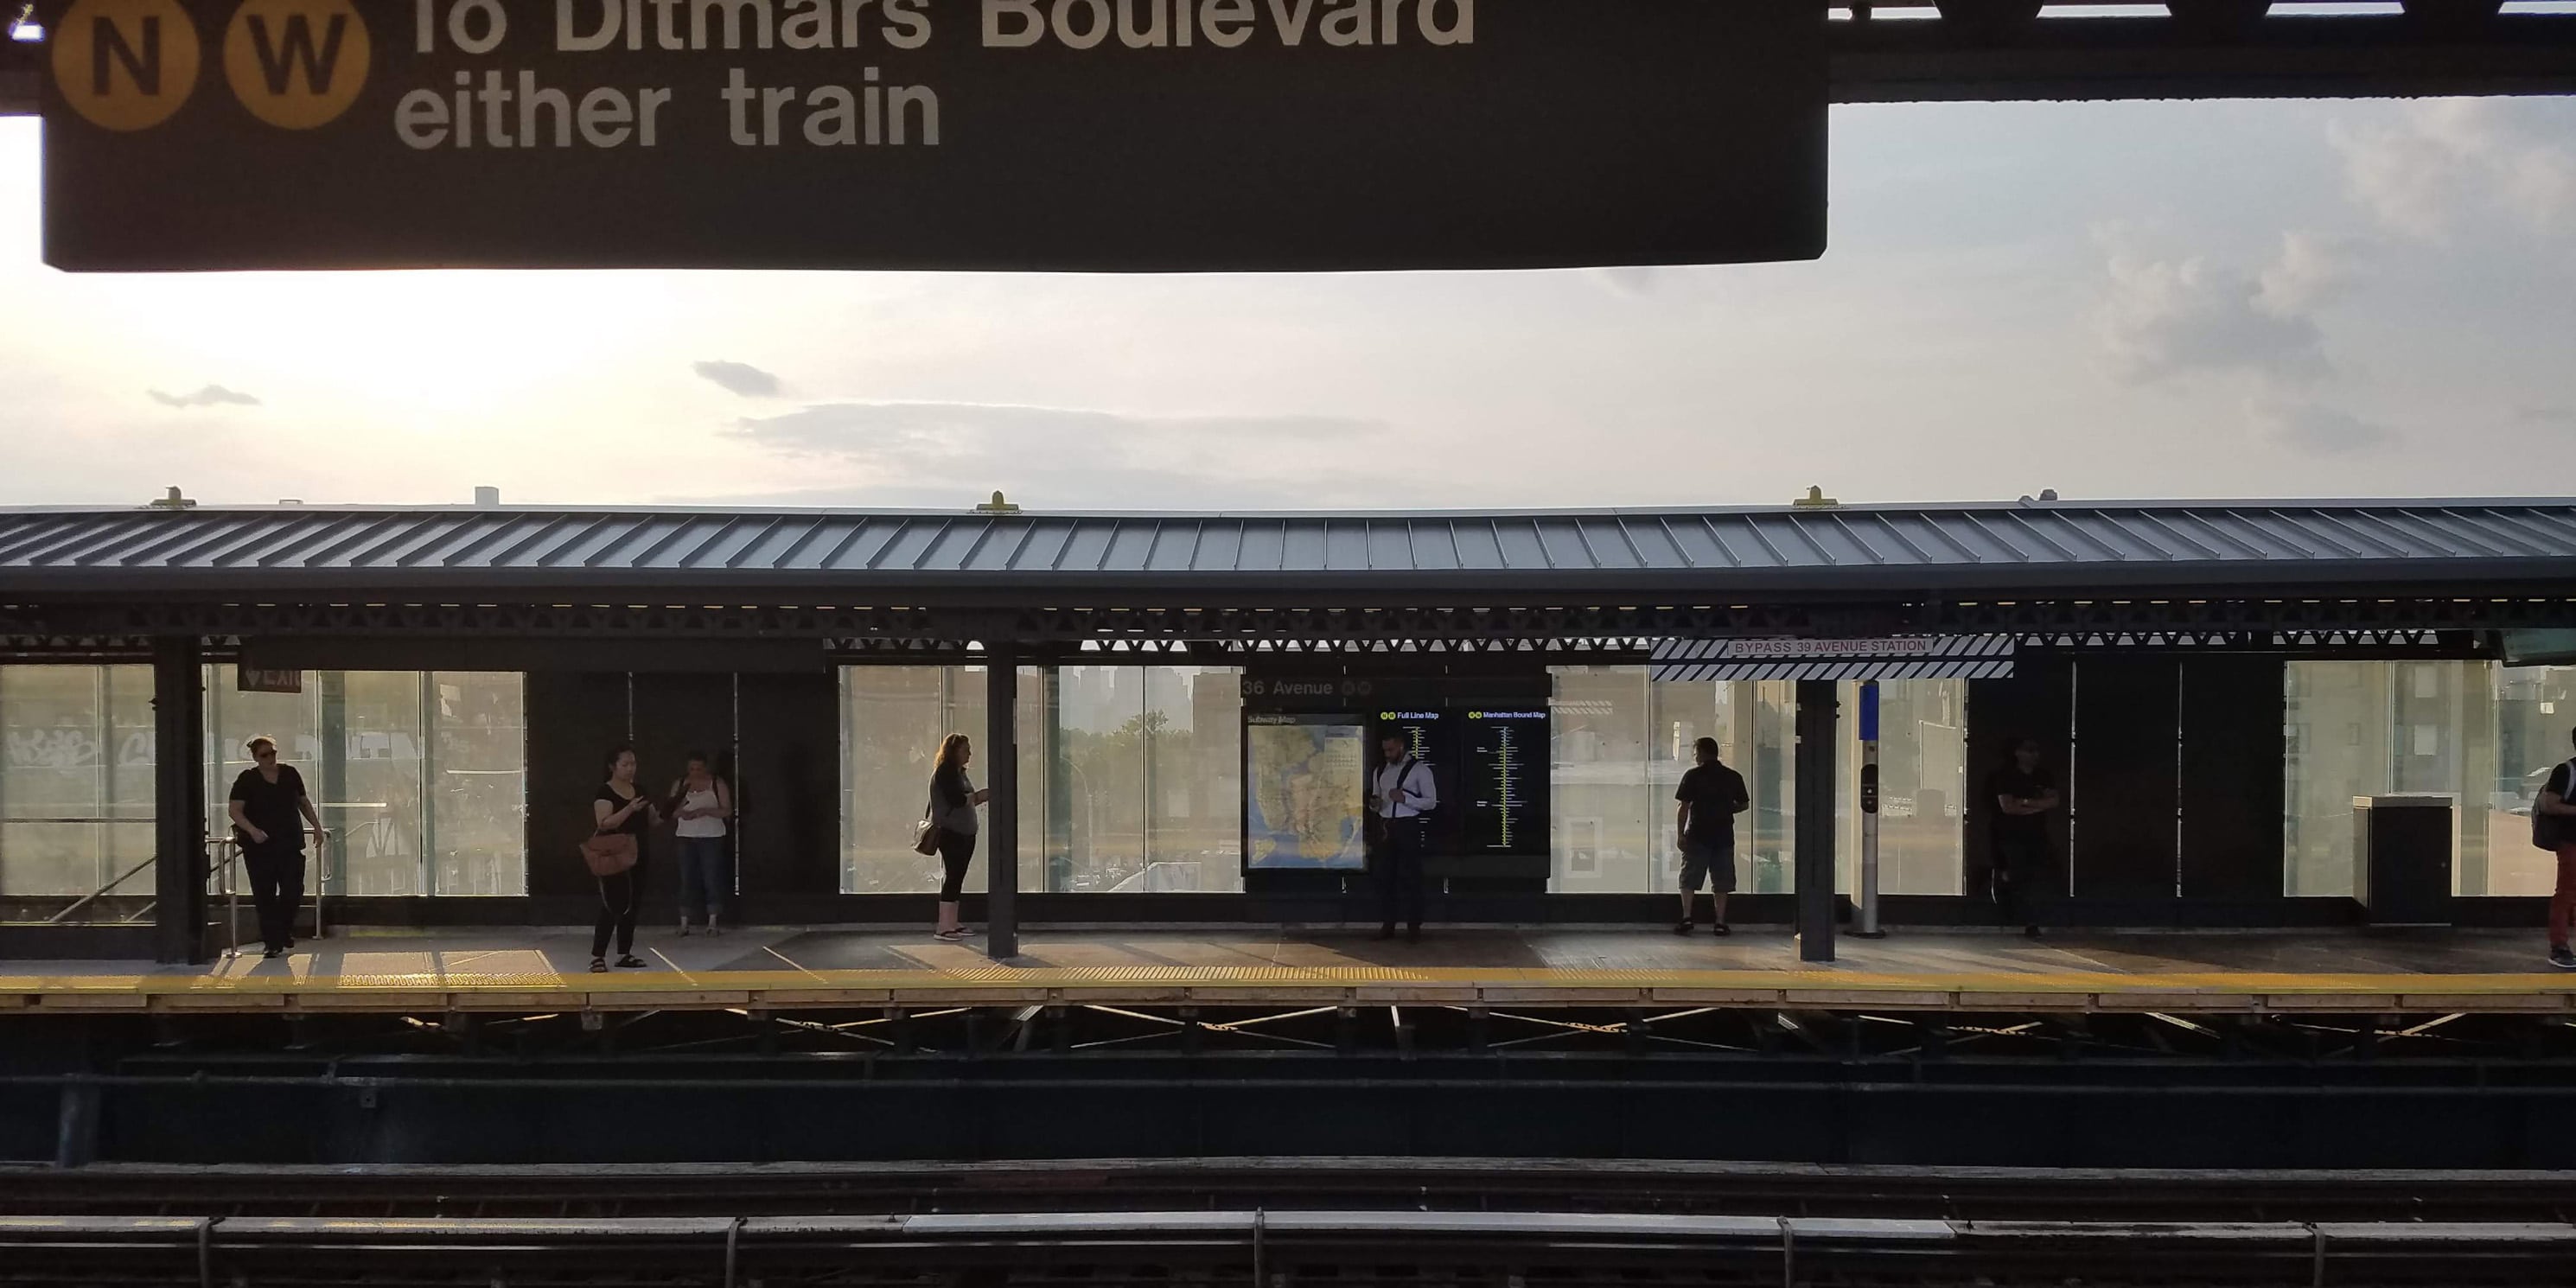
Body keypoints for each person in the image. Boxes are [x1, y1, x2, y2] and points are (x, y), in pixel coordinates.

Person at [226, 736, 328, 960]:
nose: (271, 758)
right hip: (260, 847)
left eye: (273, 753)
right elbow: (235, 810)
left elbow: (303, 802)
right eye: (264, 755)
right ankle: (273, 942)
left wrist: (317, 827)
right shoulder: (247, 780)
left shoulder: (290, 774)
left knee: (293, 890)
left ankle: (282, 931)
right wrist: (253, 831)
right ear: (255, 757)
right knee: (265, 895)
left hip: (289, 843)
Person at [590, 745, 660, 972]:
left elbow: (653, 820)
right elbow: (604, 823)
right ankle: (598, 956)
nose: (631, 769)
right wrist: (630, 808)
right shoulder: (605, 792)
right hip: (614, 853)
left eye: (633, 764)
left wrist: (675, 809)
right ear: (613, 767)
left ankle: (624, 952)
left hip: (638, 851)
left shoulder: (640, 789)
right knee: (612, 903)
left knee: (632, 904)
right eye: (625, 764)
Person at [1673, 736, 1751, 935]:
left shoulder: (1693, 776)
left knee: (1689, 878)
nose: (1695, 756)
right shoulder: (1732, 776)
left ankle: (1687, 917)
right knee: (1722, 881)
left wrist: (1680, 834)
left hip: (1697, 835)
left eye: (1695, 752)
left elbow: (1683, 807)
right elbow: (1744, 804)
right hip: (1724, 835)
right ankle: (1720, 922)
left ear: (1701, 753)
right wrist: (1726, 810)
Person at [1984, 737, 2061, 938]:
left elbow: (2054, 801)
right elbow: (2008, 807)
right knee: (2016, 874)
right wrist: (2036, 804)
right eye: (2029, 750)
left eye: (2036, 751)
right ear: (2017, 753)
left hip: (2037, 834)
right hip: (2009, 834)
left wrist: (2025, 803)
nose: (2034, 755)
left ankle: (2032, 921)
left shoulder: (2043, 775)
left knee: (2037, 876)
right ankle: (2010, 909)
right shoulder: (2005, 776)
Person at [1370, 733, 1438, 942]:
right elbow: (1377, 797)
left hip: (1408, 827)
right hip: (1385, 827)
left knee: (1411, 878)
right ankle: (1388, 924)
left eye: (1390, 750)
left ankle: (1413, 927)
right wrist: (1375, 805)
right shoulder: (1380, 770)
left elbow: (1431, 802)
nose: (1387, 754)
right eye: (1384, 750)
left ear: (1401, 746)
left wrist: (1406, 798)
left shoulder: (1420, 770)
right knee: (1385, 877)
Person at [928, 733, 992, 942]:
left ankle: (952, 922)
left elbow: (964, 801)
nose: (970, 754)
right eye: (966, 750)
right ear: (954, 751)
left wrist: (975, 799)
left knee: (957, 877)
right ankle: (944, 926)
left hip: (963, 833)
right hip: (951, 834)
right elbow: (956, 800)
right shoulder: (945, 773)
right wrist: (978, 796)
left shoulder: (958, 773)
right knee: (953, 876)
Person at [669, 752, 733, 936]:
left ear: (706, 768)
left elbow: (726, 809)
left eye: (698, 768)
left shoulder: (716, 783)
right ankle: (684, 923)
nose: (695, 772)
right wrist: (682, 812)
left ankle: (712, 922)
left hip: (711, 836)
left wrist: (705, 811)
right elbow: (670, 811)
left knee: (711, 877)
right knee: (686, 879)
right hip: (686, 836)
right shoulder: (680, 784)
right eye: (691, 769)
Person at [2536, 728, 2576, 969]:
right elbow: (2550, 805)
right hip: (2571, 842)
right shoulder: (2566, 772)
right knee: (2567, 893)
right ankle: (2559, 947)